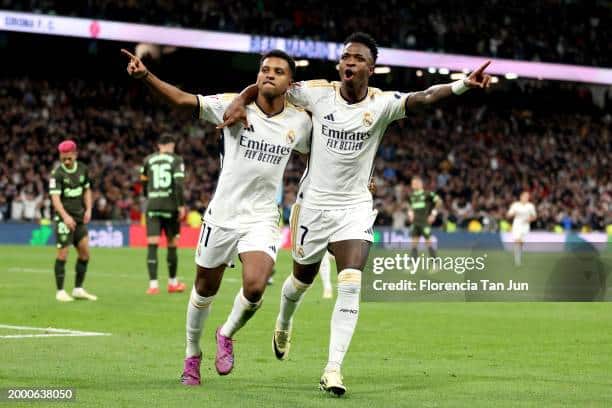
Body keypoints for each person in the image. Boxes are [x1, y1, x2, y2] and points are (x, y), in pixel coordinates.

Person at [222, 32, 492, 395]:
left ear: (371, 68)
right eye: (346, 57)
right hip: (314, 205)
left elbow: (425, 97)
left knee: (351, 281)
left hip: (355, 207)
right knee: (300, 281)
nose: (349, 62)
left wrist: (462, 85)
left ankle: (333, 369)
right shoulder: (316, 93)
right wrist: (241, 99)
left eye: (358, 58)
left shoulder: (382, 105)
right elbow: (269, 85)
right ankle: (284, 321)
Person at [122, 48, 312, 386]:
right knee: (203, 290)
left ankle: (226, 334)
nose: (269, 74)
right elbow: (182, 101)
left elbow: (324, 152)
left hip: (262, 218)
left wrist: (362, 175)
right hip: (222, 215)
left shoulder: (299, 121)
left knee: (255, 285)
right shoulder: (231, 105)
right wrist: (146, 76)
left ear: (290, 83)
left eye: (278, 71)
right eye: (264, 69)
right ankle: (191, 355)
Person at [49, 140, 97, 302]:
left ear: (75, 154)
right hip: (64, 219)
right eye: (63, 158)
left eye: (69, 157)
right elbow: (55, 199)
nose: (67, 161)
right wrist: (65, 217)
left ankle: (78, 289)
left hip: (79, 218)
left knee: (85, 254)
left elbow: (87, 190)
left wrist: (89, 209)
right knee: (63, 254)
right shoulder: (57, 174)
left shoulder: (83, 169)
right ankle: (60, 291)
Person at [140, 134, 187, 295]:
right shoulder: (176, 160)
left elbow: (144, 183)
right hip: (170, 205)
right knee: (172, 243)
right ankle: (172, 283)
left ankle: (153, 286)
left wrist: (149, 196)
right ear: (170, 145)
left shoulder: (147, 160)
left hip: (152, 205)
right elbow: (179, 185)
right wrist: (181, 205)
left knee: (152, 244)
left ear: (158, 145)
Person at [408, 176, 441, 261]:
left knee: (428, 242)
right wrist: (410, 214)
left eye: (414, 183)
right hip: (415, 223)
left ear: (420, 184)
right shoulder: (411, 196)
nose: (413, 185)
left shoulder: (427, 194)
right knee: (414, 243)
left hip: (424, 222)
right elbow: (410, 207)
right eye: (412, 183)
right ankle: (412, 263)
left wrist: (433, 214)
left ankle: (435, 262)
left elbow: (439, 201)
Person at [507, 191, 537, 266]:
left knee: (521, 242)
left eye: (527, 197)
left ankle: (519, 255)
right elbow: (508, 215)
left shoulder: (530, 206)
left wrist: (528, 220)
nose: (526, 198)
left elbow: (534, 216)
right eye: (525, 196)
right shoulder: (515, 205)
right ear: (521, 197)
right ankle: (517, 260)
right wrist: (513, 214)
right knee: (517, 241)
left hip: (525, 225)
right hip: (517, 224)